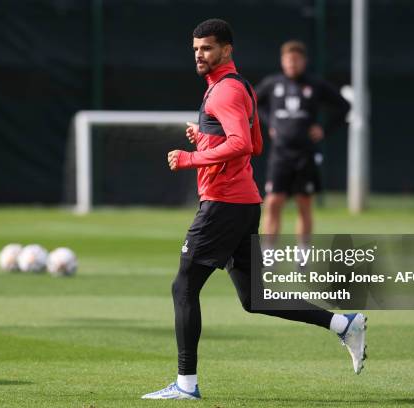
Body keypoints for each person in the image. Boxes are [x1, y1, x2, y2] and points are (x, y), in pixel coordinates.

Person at [141, 20, 366, 401]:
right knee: (254, 298)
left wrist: (191, 157)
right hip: (245, 203)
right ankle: (343, 323)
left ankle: (186, 385)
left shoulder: (223, 92)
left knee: (184, 286)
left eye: (208, 48)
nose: (199, 54)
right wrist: (208, 138)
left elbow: (243, 144)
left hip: (224, 205)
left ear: (227, 50)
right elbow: (257, 143)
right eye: (196, 48)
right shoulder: (240, 85)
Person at [256, 40, 350, 245]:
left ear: (304, 62)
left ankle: (303, 252)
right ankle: (269, 253)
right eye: (289, 60)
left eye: (296, 60)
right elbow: (254, 102)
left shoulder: (315, 84)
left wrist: (323, 129)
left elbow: (343, 107)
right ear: (282, 61)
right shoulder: (273, 84)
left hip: (305, 153)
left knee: (304, 202)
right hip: (280, 153)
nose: (292, 64)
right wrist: (269, 121)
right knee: (273, 201)